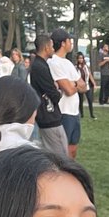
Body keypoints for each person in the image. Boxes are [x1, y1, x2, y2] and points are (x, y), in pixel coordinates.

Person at [48, 29, 85, 159]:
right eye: (70, 40)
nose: (71, 43)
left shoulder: (68, 63)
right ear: (63, 43)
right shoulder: (53, 62)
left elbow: (84, 86)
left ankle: (72, 174)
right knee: (62, 152)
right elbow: (69, 91)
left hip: (74, 112)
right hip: (63, 113)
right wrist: (74, 84)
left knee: (73, 149)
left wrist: (72, 84)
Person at [29, 34, 68, 156]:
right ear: (46, 48)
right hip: (48, 117)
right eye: (51, 46)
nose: (53, 49)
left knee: (62, 152)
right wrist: (59, 91)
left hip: (50, 117)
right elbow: (53, 94)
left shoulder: (41, 65)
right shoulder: (39, 67)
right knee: (60, 157)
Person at [74, 51, 95, 120]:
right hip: (79, 86)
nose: (81, 59)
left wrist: (94, 83)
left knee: (90, 99)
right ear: (77, 59)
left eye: (82, 58)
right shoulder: (75, 67)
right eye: (79, 58)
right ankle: (81, 114)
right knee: (80, 100)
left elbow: (90, 75)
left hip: (86, 85)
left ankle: (92, 114)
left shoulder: (86, 67)